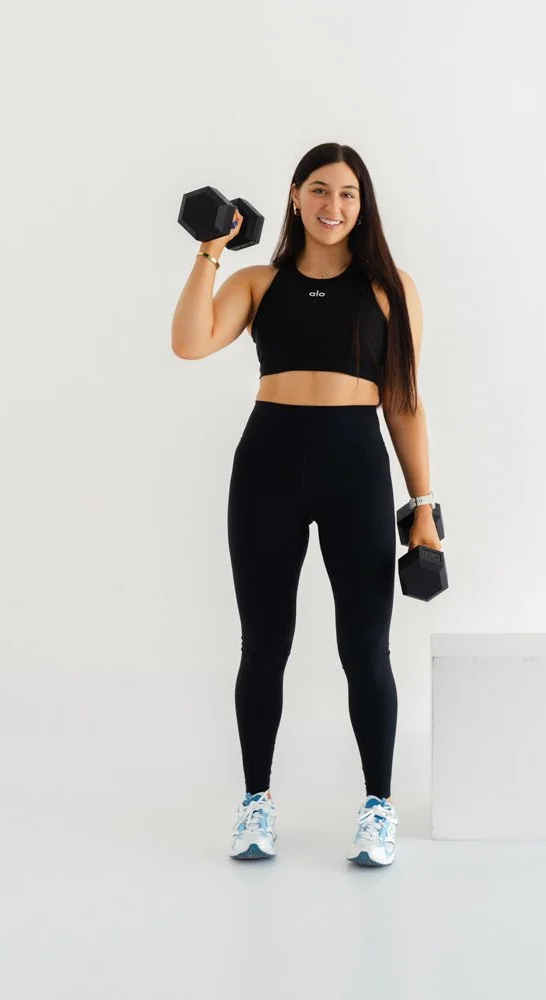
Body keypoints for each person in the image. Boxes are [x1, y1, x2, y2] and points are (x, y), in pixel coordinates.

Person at [171, 143, 442, 867]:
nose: (333, 206)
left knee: (365, 650)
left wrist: (424, 503)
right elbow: (190, 343)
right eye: (319, 190)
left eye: (348, 194)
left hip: (356, 468)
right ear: (294, 197)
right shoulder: (260, 283)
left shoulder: (390, 289)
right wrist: (210, 253)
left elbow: (405, 403)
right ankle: (255, 805)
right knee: (263, 647)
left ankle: (377, 807)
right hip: (268, 468)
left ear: (363, 204)